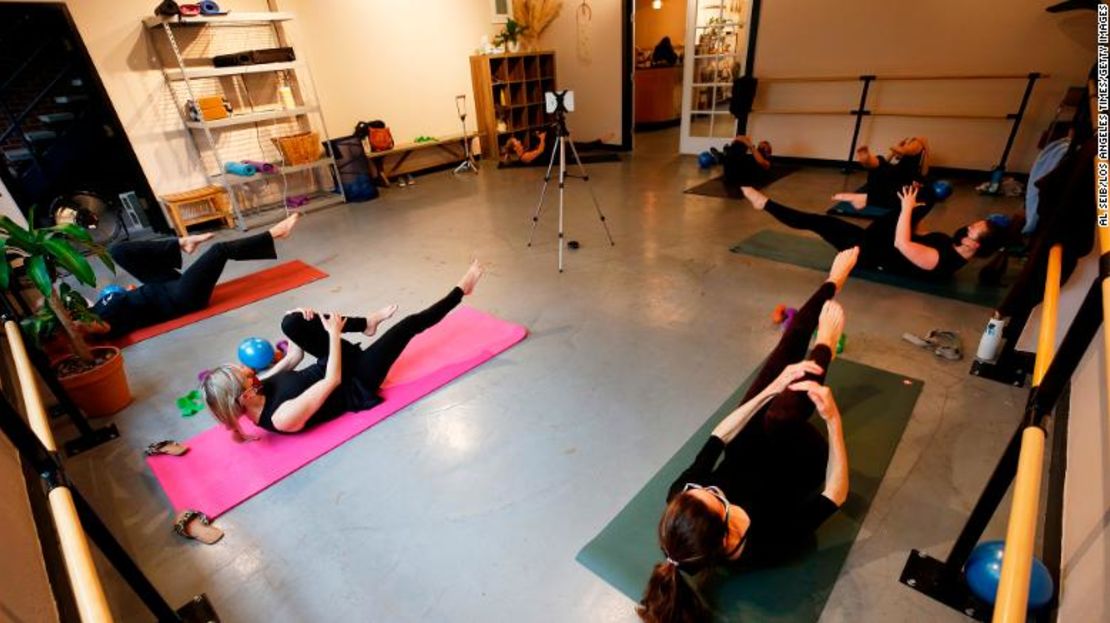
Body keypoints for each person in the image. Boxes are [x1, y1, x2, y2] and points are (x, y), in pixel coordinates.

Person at [638, 248, 857, 623]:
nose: (702, 486)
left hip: (749, 448)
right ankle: (827, 345)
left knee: (783, 359)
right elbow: (834, 494)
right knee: (781, 417)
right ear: (725, 526)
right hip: (797, 462)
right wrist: (834, 420)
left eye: (697, 490)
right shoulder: (764, 544)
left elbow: (719, 438)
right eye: (713, 494)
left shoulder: (683, 496)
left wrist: (773, 386)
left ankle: (832, 281)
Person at [200, 260, 485, 440]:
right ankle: (462, 290)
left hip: (333, 362)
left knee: (292, 321)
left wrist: (302, 320)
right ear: (246, 394)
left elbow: (294, 357)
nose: (251, 370)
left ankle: (367, 323)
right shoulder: (281, 417)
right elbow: (331, 381)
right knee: (408, 325)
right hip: (353, 380)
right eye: (246, 373)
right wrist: (333, 334)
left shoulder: (255, 391)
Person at [84, 214, 301, 338]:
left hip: (159, 286)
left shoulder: (92, 309)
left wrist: (129, 294)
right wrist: (77, 326)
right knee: (219, 250)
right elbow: (101, 329)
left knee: (117, 251)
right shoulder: (95, 324)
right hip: (180, 299)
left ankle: (182, 243)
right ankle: (275, 233)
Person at [744, 184, 1003, 282]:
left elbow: (903, 243)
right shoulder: (956, 245)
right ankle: (863, 198)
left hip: (872, 254)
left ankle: (764, 204)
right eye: (972, 223)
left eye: (972, 230)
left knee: (818, 221)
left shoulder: (942, 262)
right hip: (882, 242)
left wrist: (905, 208)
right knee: (925, 197)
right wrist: (912, 208)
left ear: (975, 246)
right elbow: (918, 233)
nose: (967, 227)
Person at [833, 137, 930, 210]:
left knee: (921, 138)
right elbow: (886, 162)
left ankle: (870, 161)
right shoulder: (903, 159)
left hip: (905, 176)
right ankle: (868, 160)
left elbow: (924, 173)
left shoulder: (920, 156)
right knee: (881, 162)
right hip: (896, 173)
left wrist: (926, 152)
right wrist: (894, 152)